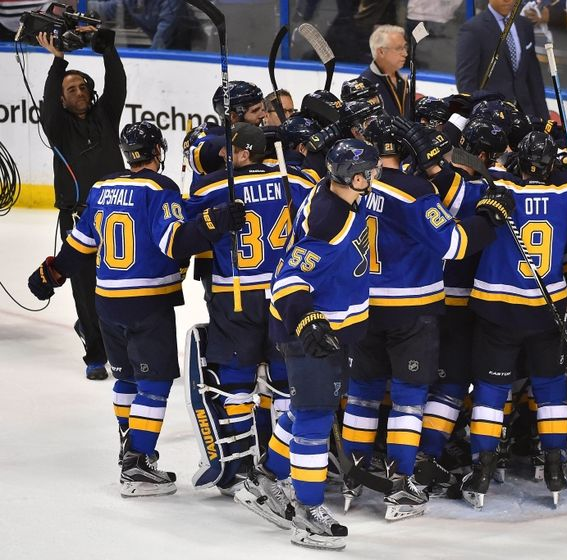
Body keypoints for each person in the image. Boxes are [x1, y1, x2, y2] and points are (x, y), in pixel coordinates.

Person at [27, 121, 245, 497]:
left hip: (106, 302)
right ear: (158, 151)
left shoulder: (102, 187)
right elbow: (175, 243)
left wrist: (51, 273)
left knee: (126, 378)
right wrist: (215, 221)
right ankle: (138, 464)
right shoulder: (161, 189)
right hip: (147, 303)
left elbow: (79, 246)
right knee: (155, 382)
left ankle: (128, 451)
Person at [339, 115, 514, 520]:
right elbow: (453, 244)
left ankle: (352, 477)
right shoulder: (414, 190)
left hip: (361, 307)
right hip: (411, 311)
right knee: (407, 402)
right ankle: (402, 484)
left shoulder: (344, 186)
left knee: (363, 395)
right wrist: (488, 217)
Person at [235, 138, 379, 550]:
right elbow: (287, 281)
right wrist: (309, 321)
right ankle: (307, 511)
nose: (374, 176)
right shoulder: (330, 223)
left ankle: (263, 478)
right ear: (353, 178)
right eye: (369, 171)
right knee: (314, 419)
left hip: (332, 327)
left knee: (304, 411)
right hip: (312, 335)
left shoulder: (331, 192)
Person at [185, 123, 314, 496]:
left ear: (241, 154)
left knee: (236, 385)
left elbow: (182, 229)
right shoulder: (297, 181)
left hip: (235, 296)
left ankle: (240, 464)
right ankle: (280, 467)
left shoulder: (213, 187)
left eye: (230, 152)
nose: (224, 157)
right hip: (285, 295)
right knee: (284, 387)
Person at [462, 131, 567, 509]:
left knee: (491, 393)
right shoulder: (565, 194)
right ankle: (555, 465)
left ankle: (482, 470)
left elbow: (480, 172)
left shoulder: (495, 190)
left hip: (497, 310)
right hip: (547, 311)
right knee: (552, 391)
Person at [37, 27, 126, 381]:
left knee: (120, 283)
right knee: (85, 288)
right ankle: (95, 352)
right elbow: (47, 99)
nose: (79, 93)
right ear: (61, 99)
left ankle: (114, 340)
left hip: (118, 216)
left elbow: (117, 84)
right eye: (71, 90)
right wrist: (59, 61)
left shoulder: (106, 116)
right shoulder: (57, 128)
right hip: (78, 220)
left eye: (83, 87)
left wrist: (107, 50)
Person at [455, 0, 549, 118]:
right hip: (491, 117)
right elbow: (466, 85)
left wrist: (545, 120)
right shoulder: (473, 30)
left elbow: (535, 80)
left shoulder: (525, 25)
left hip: (526, 116)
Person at [88, 0, 198, 50]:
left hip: (196, 48)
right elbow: (103, 10)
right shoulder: (131, 2)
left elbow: (162, 39)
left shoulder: (171, 2)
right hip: (169, 50)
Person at [359, 25, 412, 118]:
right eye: (399, 48)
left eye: (405, 47)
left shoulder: (402, 81)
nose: (405, 54)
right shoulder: (364, 86)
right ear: (381, 52)